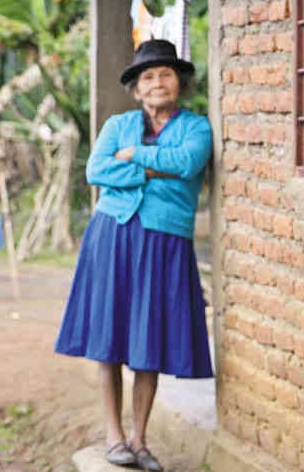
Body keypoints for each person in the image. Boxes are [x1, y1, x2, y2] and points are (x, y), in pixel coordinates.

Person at [54, 39, 213, 471]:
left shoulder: (196, 127)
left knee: (150, 341)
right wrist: (155, 167)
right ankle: (114, 437)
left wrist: (136, 158)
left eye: (165, 75)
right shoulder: (117, 124)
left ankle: (140, 441)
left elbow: (188, 162)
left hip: (164, 240)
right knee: (109, 339)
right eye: (148, 77)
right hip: (113, 236)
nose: (158, 82)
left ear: (178, 83)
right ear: (137, 89)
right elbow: (96, 170)